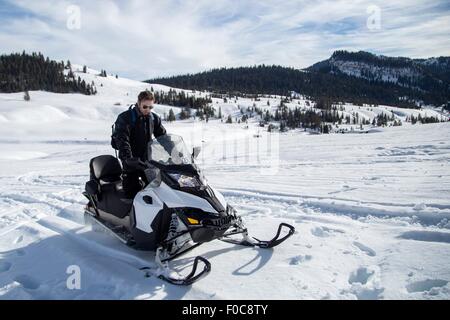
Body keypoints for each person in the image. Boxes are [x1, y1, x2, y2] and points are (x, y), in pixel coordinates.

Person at [112, 90, 167, 198]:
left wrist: (174, 152)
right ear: (138, 103)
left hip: (147, 160)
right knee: (133, 192)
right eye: (145, 107)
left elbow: (163, 137)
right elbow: (123, 140)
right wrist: (128, 158)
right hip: (131, 160)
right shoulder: (125, 118)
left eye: (150, 107)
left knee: (157, 189)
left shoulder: (154, 118)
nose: (148, 110)